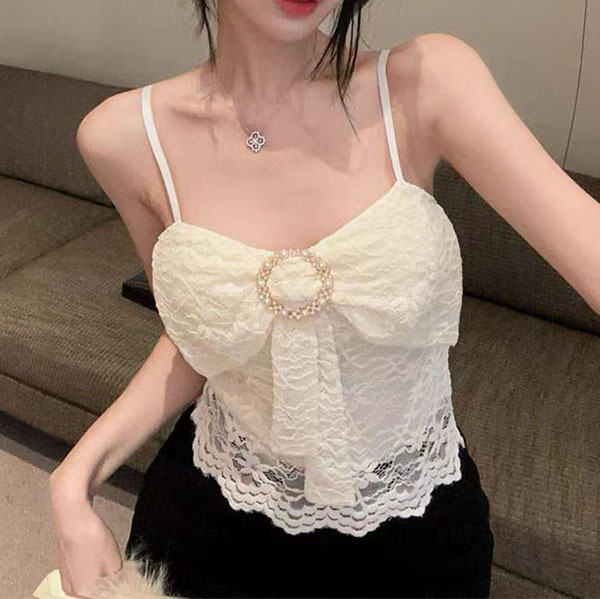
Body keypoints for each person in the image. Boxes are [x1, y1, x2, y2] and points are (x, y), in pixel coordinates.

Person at [49, 1, 518, 597]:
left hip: (419, 531)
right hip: (209, 521)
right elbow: (196, 341)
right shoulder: (124, 137)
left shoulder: (426, 82)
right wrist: (72, 478)